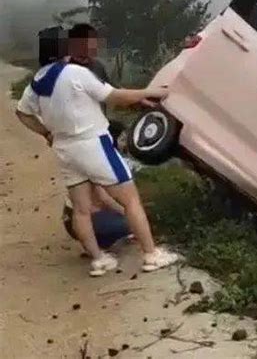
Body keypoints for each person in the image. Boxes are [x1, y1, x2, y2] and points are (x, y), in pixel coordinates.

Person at [16, 23, 178, 276]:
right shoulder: (74, 73)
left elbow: (22, 113)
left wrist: (46, 132)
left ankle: (99, 260)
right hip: (93, 144)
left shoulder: (36, 83)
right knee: (131, 199)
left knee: (81, 209)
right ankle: (151, 254)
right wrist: (154, 92)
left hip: (65, 150)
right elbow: (114, 96)